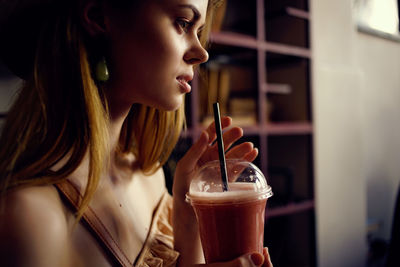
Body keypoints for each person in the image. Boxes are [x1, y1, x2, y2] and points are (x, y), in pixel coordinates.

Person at [0, 0, 273, 266]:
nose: (202, 54)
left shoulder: (148, 173)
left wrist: (189, 212)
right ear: (98, 18)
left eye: (198, 32)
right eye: (183, 23)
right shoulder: (30, 218)